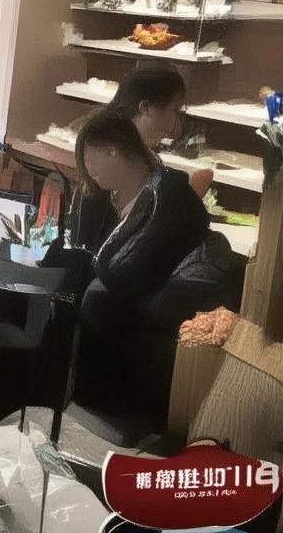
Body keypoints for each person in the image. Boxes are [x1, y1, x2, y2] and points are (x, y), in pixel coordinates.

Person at [72, 111, 235, 419]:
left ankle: (102, 402)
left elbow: (118, 270)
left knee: (95, 296)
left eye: (90, 158)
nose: (89, 170)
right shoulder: (144, 189)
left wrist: (104, 255)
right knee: (90, 292)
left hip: (180, 299)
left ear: (112, 151)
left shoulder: (166, 191)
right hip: (162, 292)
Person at [70, 65, 211, 252]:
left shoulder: (135, 154)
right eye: (174, 111)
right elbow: (130, 234)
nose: (174, 126)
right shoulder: (113, 154)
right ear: (145, 107)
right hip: (104, 264)